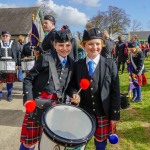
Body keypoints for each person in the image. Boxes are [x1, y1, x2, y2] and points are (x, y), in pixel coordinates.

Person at [19, 29, 74, 150]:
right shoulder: (45, 58)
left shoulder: (71, 63)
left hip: (57, 107)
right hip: (38, 105)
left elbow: (69, 87)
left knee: (49, 142)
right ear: (54, 45)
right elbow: (28, 79)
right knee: (29, 142)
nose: (64, 48)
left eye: (68, 45)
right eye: (61, 45)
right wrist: (28, 99)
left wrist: (74, 94)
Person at [66, 28, 120, 150]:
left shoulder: (110, 64)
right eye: (90, 44)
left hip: (103, 112)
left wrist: (114, 116)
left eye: (97, 44)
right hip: (83, 111)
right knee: (78, 142)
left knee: (100, 143)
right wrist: (74, 93)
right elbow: (71, 86)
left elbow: (115, 92)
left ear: (102, 45)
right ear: (83, 45)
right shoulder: (77, 65)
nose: (94, 47)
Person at [0, 31, 21, 101]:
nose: (5, 37)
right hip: (0, 65)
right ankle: (0, 94)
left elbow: (18, 54)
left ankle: (9, 94)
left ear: (9, 37)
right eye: (3, 36)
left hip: (11, 65)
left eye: (6, 36)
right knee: (0, 81)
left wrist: (19, 64)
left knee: (10, 81)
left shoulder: (15, 44)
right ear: (1, 37)